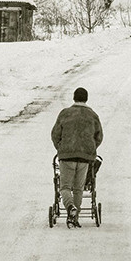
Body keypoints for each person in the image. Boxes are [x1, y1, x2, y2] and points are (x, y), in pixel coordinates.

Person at [51, 87, 103, 228]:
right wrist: (90, 149)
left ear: (74, 98)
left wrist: (61, 148)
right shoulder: (93, 116)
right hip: (85, 158)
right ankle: (75, 217)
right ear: (86, 98)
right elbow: (99, 137)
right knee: (78, 188)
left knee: (65, 187)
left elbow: (55, 134)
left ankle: (70, 208)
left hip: (67, 156)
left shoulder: (65, 113)